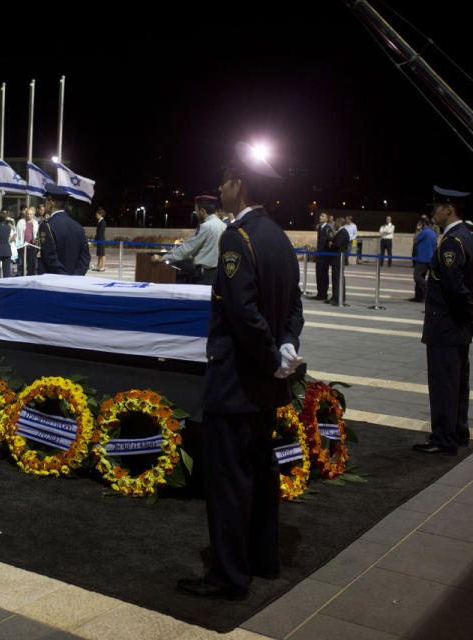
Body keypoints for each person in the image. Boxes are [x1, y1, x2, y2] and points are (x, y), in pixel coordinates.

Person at [177, 142, 303, 601]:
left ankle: (229, 576)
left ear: (240, 186)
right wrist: (285, 351)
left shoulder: (238, 237)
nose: (220, 188)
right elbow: (294, 307)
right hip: (266, 388)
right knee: (262, 472)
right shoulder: (280, 237)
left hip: (235, 383)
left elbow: (244, 314)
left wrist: (272, 357)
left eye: (226, 182)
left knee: (229, 480)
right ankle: (263, 558)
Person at [414, 186, 473, 456]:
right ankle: (459, 431)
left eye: (436, 206)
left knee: (444, 382)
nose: (433, 211)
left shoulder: (451, 242)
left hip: (444, 324)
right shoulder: (472, 239)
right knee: (459, 381)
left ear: (449, 208)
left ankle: (444, 438)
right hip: (459, 325)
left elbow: (453, 286)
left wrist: (471, 311)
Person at [152, 195, 224, 285]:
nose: (196, 213)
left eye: (196, 211)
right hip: (218, 274)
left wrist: (163, 258)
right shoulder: (223, 225)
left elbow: (187, 249)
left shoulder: (205, 226)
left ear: (203, 211)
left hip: (205, 275)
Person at [39, 183, 90, 275]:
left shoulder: (47, 226)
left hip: (54, 280)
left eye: (46, 201)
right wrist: (76, 276)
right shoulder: (78, 227)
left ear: (51, 202)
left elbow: (49, 256)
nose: (45, 204)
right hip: (74, 282)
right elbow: (85, 257)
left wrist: (63, 277)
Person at [411, 220, 437, 302]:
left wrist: (418, 230)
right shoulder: (433, 232)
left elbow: (415, 240)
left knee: (417, 276)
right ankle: (419, 297)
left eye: (420, 224)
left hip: (422, 258)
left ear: (423, 224)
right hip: (430, 258)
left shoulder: (424, 232)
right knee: (421, 276)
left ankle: (427, 289)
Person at [328, 217, 350, 305]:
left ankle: (338, 298)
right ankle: (335, 296)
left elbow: (337, 244)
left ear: (340, 223)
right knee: (335, 278)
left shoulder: (343, 232)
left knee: (338, 278)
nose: (334, 224)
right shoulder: (340, 231)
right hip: (337, 258)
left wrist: (331, 244)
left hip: (338, 259)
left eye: (336, 222)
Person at [16, 206, 39, 276]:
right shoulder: (20, 222)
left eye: (30, 214)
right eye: (28, 214)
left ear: (33, 215)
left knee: (31, 264)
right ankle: (20, 278)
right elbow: (18, 234)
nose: (29, 215)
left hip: (32, 247)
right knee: (21, 264)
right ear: (25, 214)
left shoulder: (35, 223)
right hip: (22, 246)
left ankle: (30, 277)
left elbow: (36, 234)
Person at [313, 212, 332, 299]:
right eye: (320, 215)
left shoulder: (328, 229)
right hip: (319, 255)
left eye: (323, 216)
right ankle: (319, 293)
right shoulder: (320, 228)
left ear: (327, 219)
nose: (320, 217)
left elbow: (330, 241)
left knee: (324, 275)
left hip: (324, 256)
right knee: (318, 275)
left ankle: (323, 294)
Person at [94, 207, 107, 271]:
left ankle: (103, 267)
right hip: (99, 240)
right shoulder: (100, 221)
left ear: (100, 214)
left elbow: (100, 232)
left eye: (97, 214)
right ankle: (98, 266)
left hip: (101, 239)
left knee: (102, 254)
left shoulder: (102, 222)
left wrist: (97, 238)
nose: (96, 215)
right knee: (99, 254)